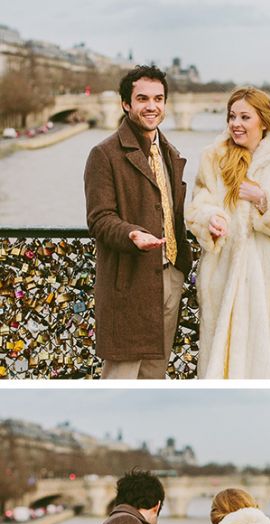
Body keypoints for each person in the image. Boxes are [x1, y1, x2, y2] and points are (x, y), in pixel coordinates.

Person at [186, 88, 270, 379]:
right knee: (216, 367)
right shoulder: (213, 158)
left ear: (264, 122)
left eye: (245, 117)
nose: (236, 123)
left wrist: (264, 201)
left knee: (261, 367)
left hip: (266, 280)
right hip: (222, 275)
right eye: (232, 116)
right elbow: (197, 207)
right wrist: (211, 221)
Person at [84, 65, 192, 379]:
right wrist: (132, 233)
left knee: (154, 376)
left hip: (170, 276)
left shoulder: (170, 153)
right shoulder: (104, 154)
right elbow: (100, 218)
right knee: (121, 375)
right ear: (126, 104)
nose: (151, 106)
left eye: (158, 98)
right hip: (130, 280)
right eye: (142, 98)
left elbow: (175, 212)